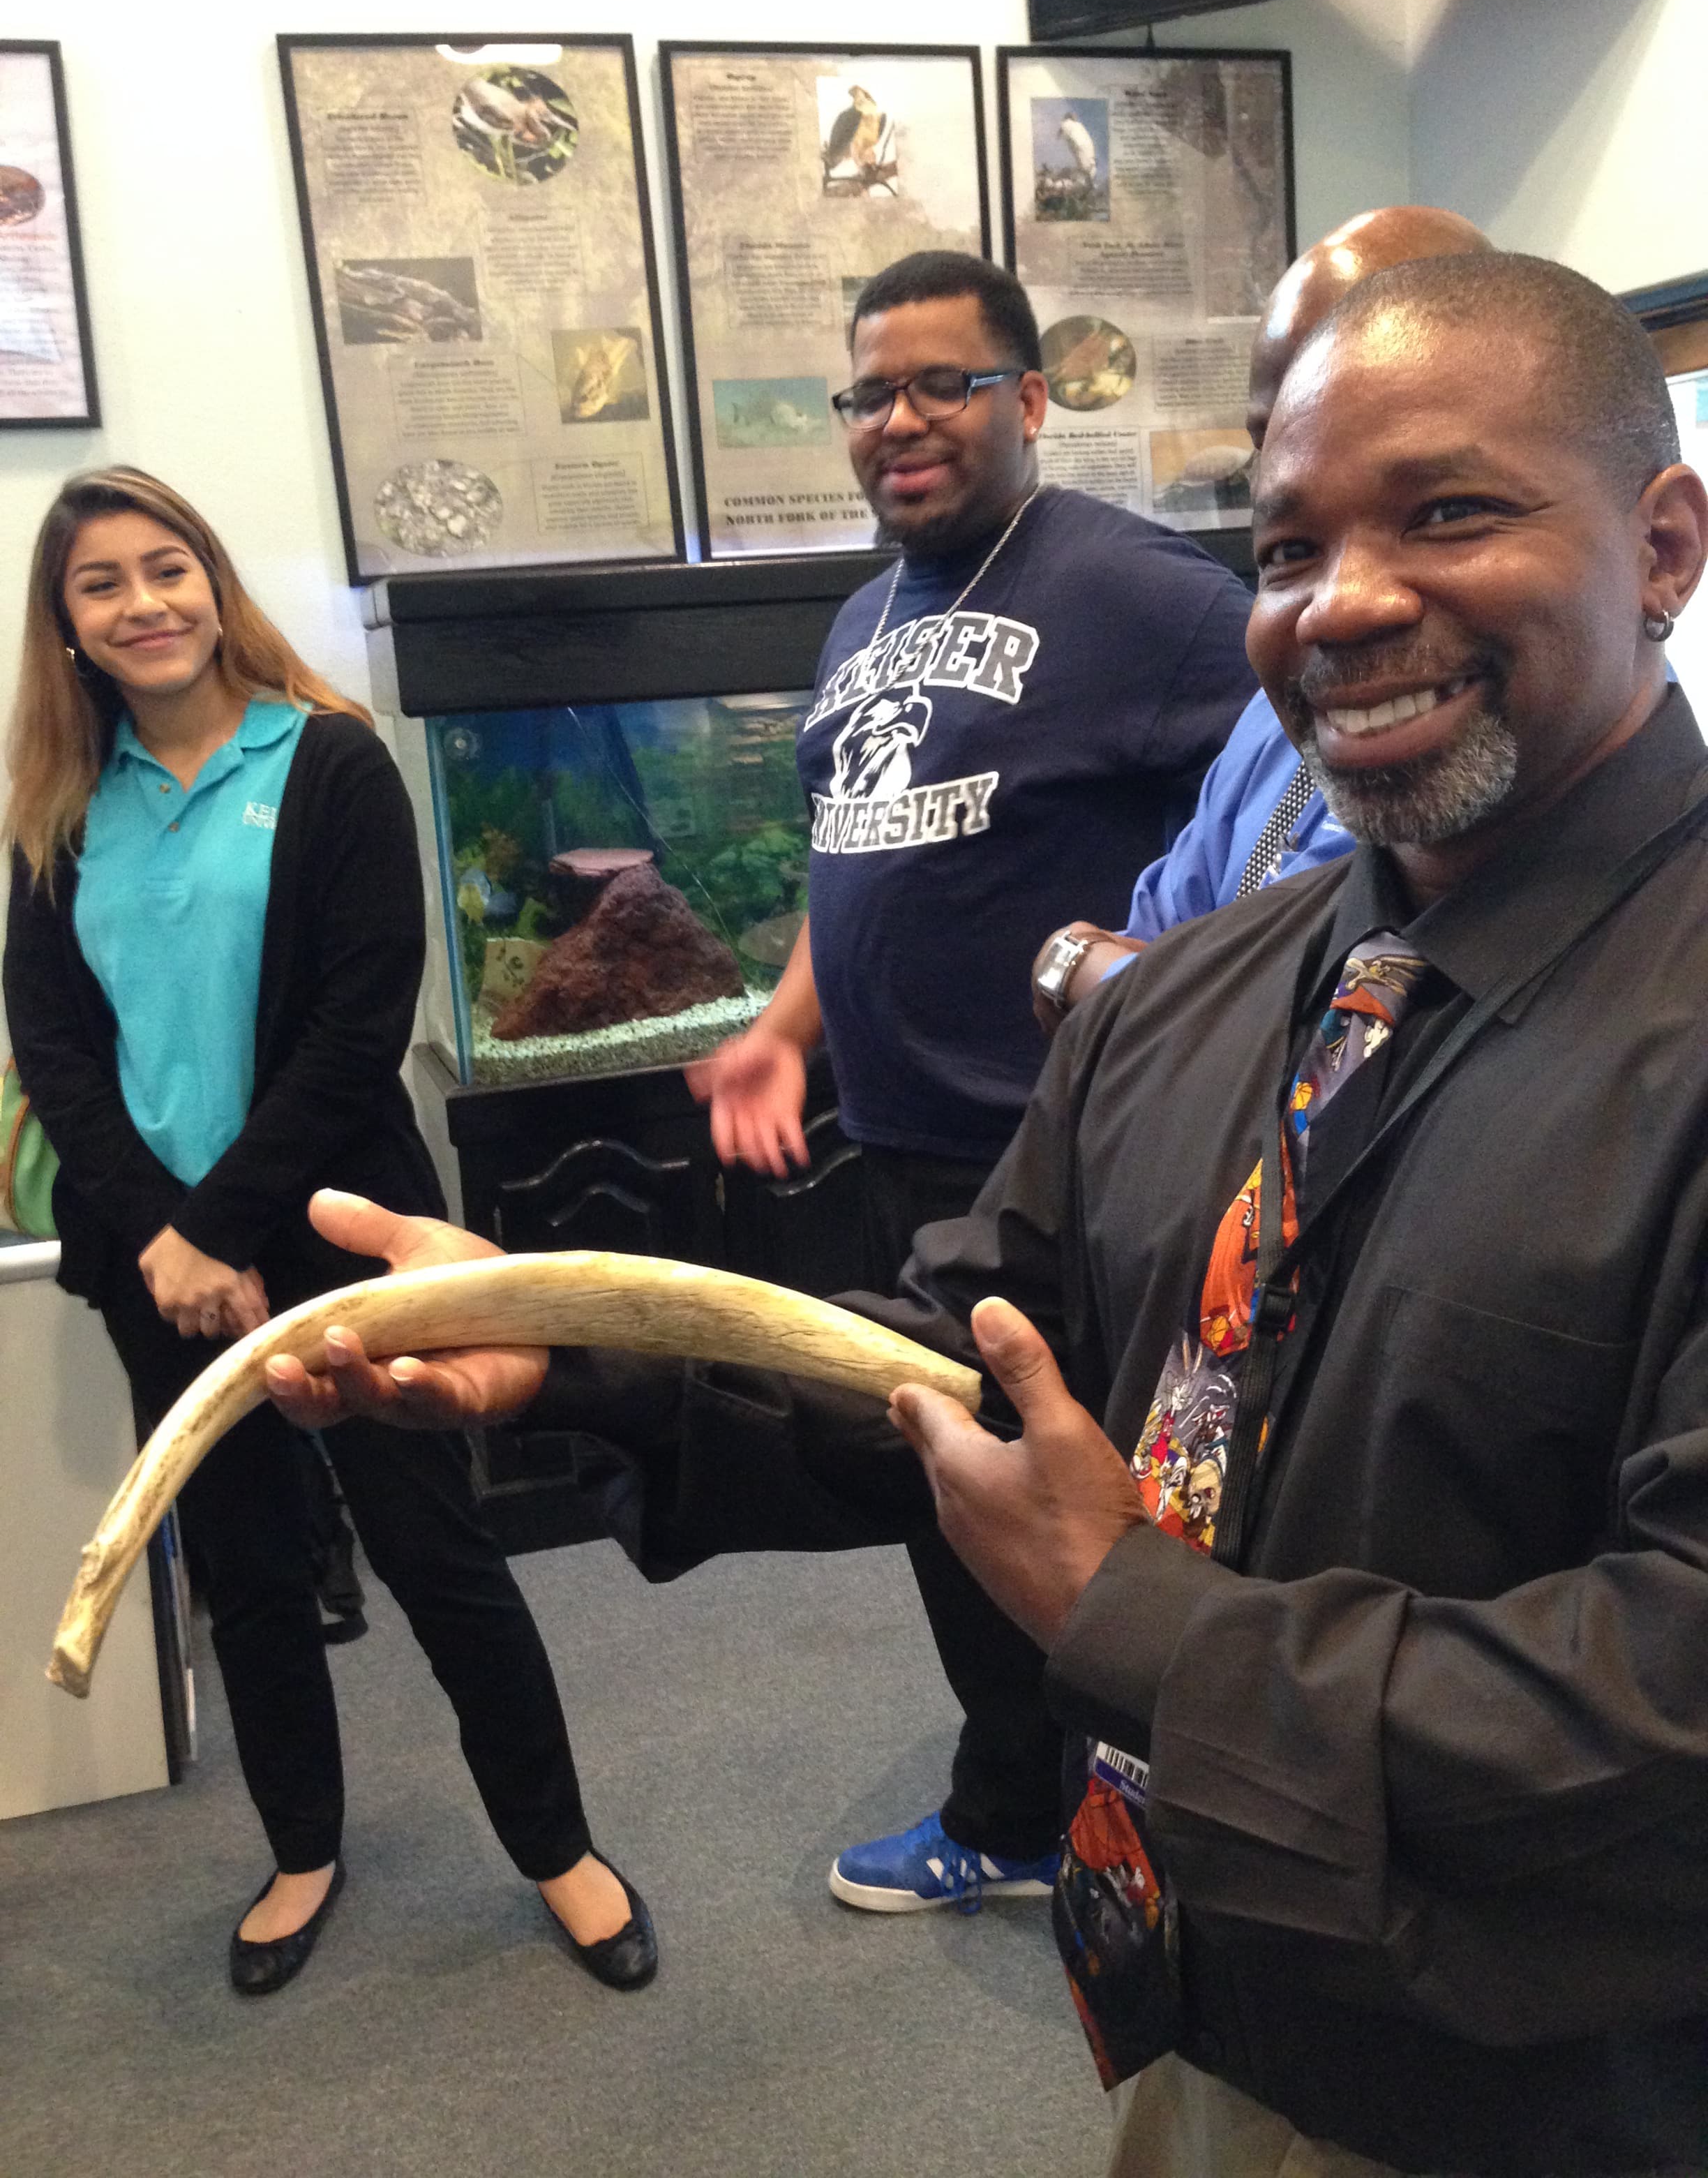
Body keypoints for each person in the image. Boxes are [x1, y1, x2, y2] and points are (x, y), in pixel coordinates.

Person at [272, 251, 1708, 2174]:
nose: (1346, 604)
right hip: (1202, 2015)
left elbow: (1671, 1695)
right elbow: (958, 1357)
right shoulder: (1192, 1001)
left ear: (1663, 544)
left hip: (1550, 2091)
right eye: (1287, 551)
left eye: (1450, 511)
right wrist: (589, 1346)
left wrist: (1142, 1624)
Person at [2, 468, 654, 1997]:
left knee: (437, 1553)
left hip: (337, 1234)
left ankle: (561, 1851)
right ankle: (302, 1851)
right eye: (103, 584)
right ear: (69, 626)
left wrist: (223, 1223)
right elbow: (55, 1049)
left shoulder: (334, 764)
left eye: (169, 568)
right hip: (154, 1266)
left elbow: (359, 1029)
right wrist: (167, 1239)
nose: (144, 603)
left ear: (215, 583)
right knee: (249, 1571)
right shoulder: (57, 806)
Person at [687, 248, 1254, 1908]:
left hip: (1079, 1165)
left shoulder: (1142, 595)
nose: (898, 419)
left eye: (940, 382)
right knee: (952, 1485)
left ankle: (1124, 1827)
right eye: (868, 391)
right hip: (906, 1145)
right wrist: (788, 1024)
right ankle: (1017, 1812)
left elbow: (1301, 813)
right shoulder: (867, 613)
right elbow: (846, 845)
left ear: (1025, 399)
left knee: (1088, 1512)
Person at [1030, 207, 1490, 1030]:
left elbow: (1289, 1023)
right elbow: (1159, 952)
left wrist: (1090, 970)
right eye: (1273, 436)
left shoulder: (1505, 723)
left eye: (1443, 511)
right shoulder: (1276, 713)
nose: (1340, 604)